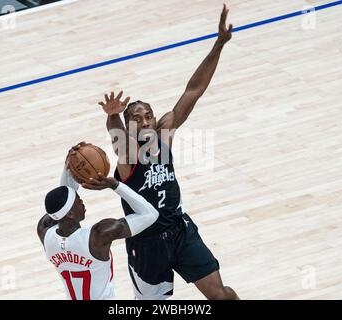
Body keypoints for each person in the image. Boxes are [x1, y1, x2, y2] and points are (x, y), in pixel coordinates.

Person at [98, 5, 239, 300]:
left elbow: (193, 90)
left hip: (179, 230)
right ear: (128, 126)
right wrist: (112, 116)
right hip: (146, 243)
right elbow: (116, 136)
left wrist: (219, 44)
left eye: (148, 114)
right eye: (135, 117)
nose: (144, 119)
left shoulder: (164, 135)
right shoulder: (128, 156)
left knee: (222, 296)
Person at [37, 144, 159, 300]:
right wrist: (115, 185)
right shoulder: (99, 235)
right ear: (71, 214)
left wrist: (69, 166)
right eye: (78, 201)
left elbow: (59, 205)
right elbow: (150, 214)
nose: (82, 202)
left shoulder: (45, 233)